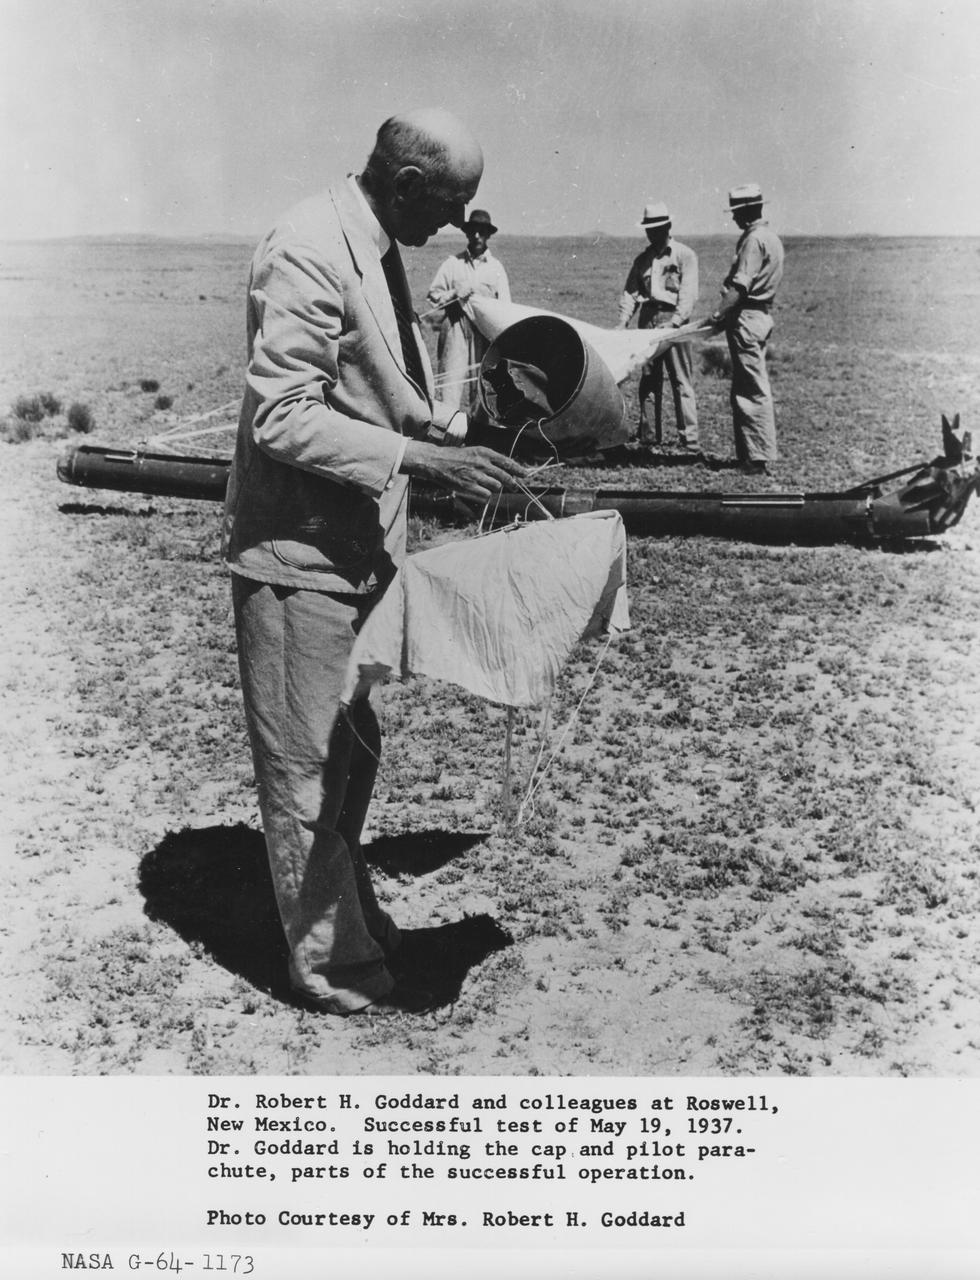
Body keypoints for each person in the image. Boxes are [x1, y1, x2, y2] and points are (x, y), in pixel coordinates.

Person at [222, 109, 527, 1016]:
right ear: (406, 186)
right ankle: (332, 966)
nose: (453, 224)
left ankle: (349, 920)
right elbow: (283, 415)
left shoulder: (378, 240)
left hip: (357, 550)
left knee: (352, 752)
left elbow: (382, 388)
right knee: (309, 762)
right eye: (450, 204)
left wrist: (458, 428)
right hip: (298, 557)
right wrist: (425, 461)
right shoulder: (309, 245)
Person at [707, 183, 785, 474]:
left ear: (748, 210)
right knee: (750, 385)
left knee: (750, 389)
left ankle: (756, 460)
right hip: (761, 316)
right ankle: (752, 456)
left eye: (737, 212)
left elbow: (741, 285)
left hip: (747, 318)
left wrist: (718, 313)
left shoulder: (754, 240)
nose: (734, 218)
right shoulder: (771, 238)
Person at [615, 200, 699, 451]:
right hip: (648, 320)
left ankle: (690, 440)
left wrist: (674, 322)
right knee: (649, 378)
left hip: (674, 321)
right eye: (649, 228)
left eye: (658, 227)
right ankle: (649, 435)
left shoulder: (684, 255)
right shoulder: (643, 259)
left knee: (680, 380)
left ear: (668, 226)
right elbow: (631, 292)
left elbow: (688, 293)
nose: (653, 233)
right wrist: (623, 322)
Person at [425, 209, 510, 417]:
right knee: (450, 385)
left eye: (482, 232)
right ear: (467, 234)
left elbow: (505, 307)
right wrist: (454, 292)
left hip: (485, 332)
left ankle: (478, 439)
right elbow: (433, 295)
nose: (477, 236)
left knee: (482, 386)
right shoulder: (453, 264)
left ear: (488, 235)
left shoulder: (496, 268)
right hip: (456, 327)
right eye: (473, 231)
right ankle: (446, 436)